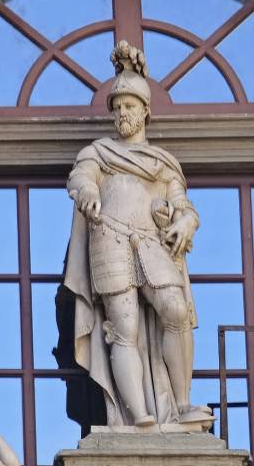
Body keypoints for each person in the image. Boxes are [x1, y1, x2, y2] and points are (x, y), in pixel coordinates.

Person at [63, 41, 212, 428]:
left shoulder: (163, 161)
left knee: (176, 311)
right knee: (123, 327)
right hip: (108, 239)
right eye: (117, 108)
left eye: (129, 106)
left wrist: (186, 221)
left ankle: (181, 405)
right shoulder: (97, 152)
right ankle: (137, 415)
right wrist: (89, 192)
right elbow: (82, 178)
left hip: (150, 241)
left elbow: (183, 204)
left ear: (146, 111)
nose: (122, 114)